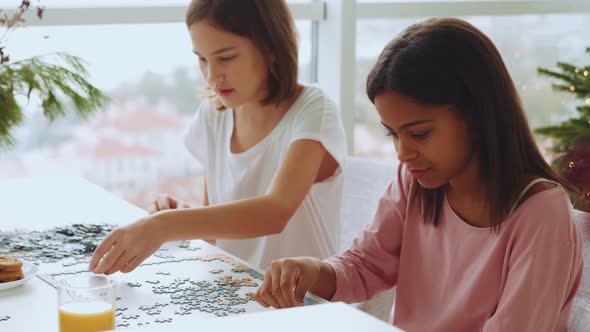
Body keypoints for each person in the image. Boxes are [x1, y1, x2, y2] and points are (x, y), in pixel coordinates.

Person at [255, 18, 583, 332]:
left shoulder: (540, 211)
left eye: (420, 133)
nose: (402, 153)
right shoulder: (413, 182)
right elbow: (365, 266)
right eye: (393, 134)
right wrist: (310, 271)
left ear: (477, 114)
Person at [89, 0, 346, 275]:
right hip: (234, 291)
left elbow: (275, 212)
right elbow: (217, 236)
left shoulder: (313, 109)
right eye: (202, 58)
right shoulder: (215, 115)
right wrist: (181, 213)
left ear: (270, 48)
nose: (212, 76)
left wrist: (165, 224)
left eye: (226, 57)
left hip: (304, 302)